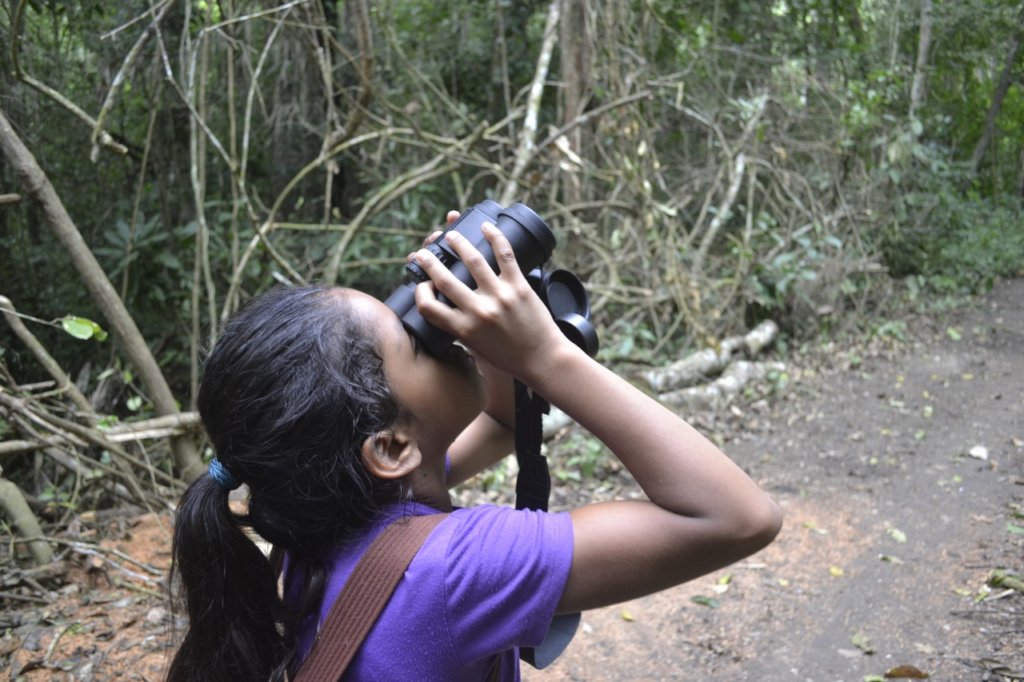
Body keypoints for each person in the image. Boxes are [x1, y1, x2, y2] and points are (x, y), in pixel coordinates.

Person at [167, 215, 783, 682]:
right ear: (390, 447)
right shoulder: (449, 570)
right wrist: (545, 357)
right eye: (412, 339)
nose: (427, 321)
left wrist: (500, 345)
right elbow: (735, 518)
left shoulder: (323, 514)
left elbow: (507, 425)